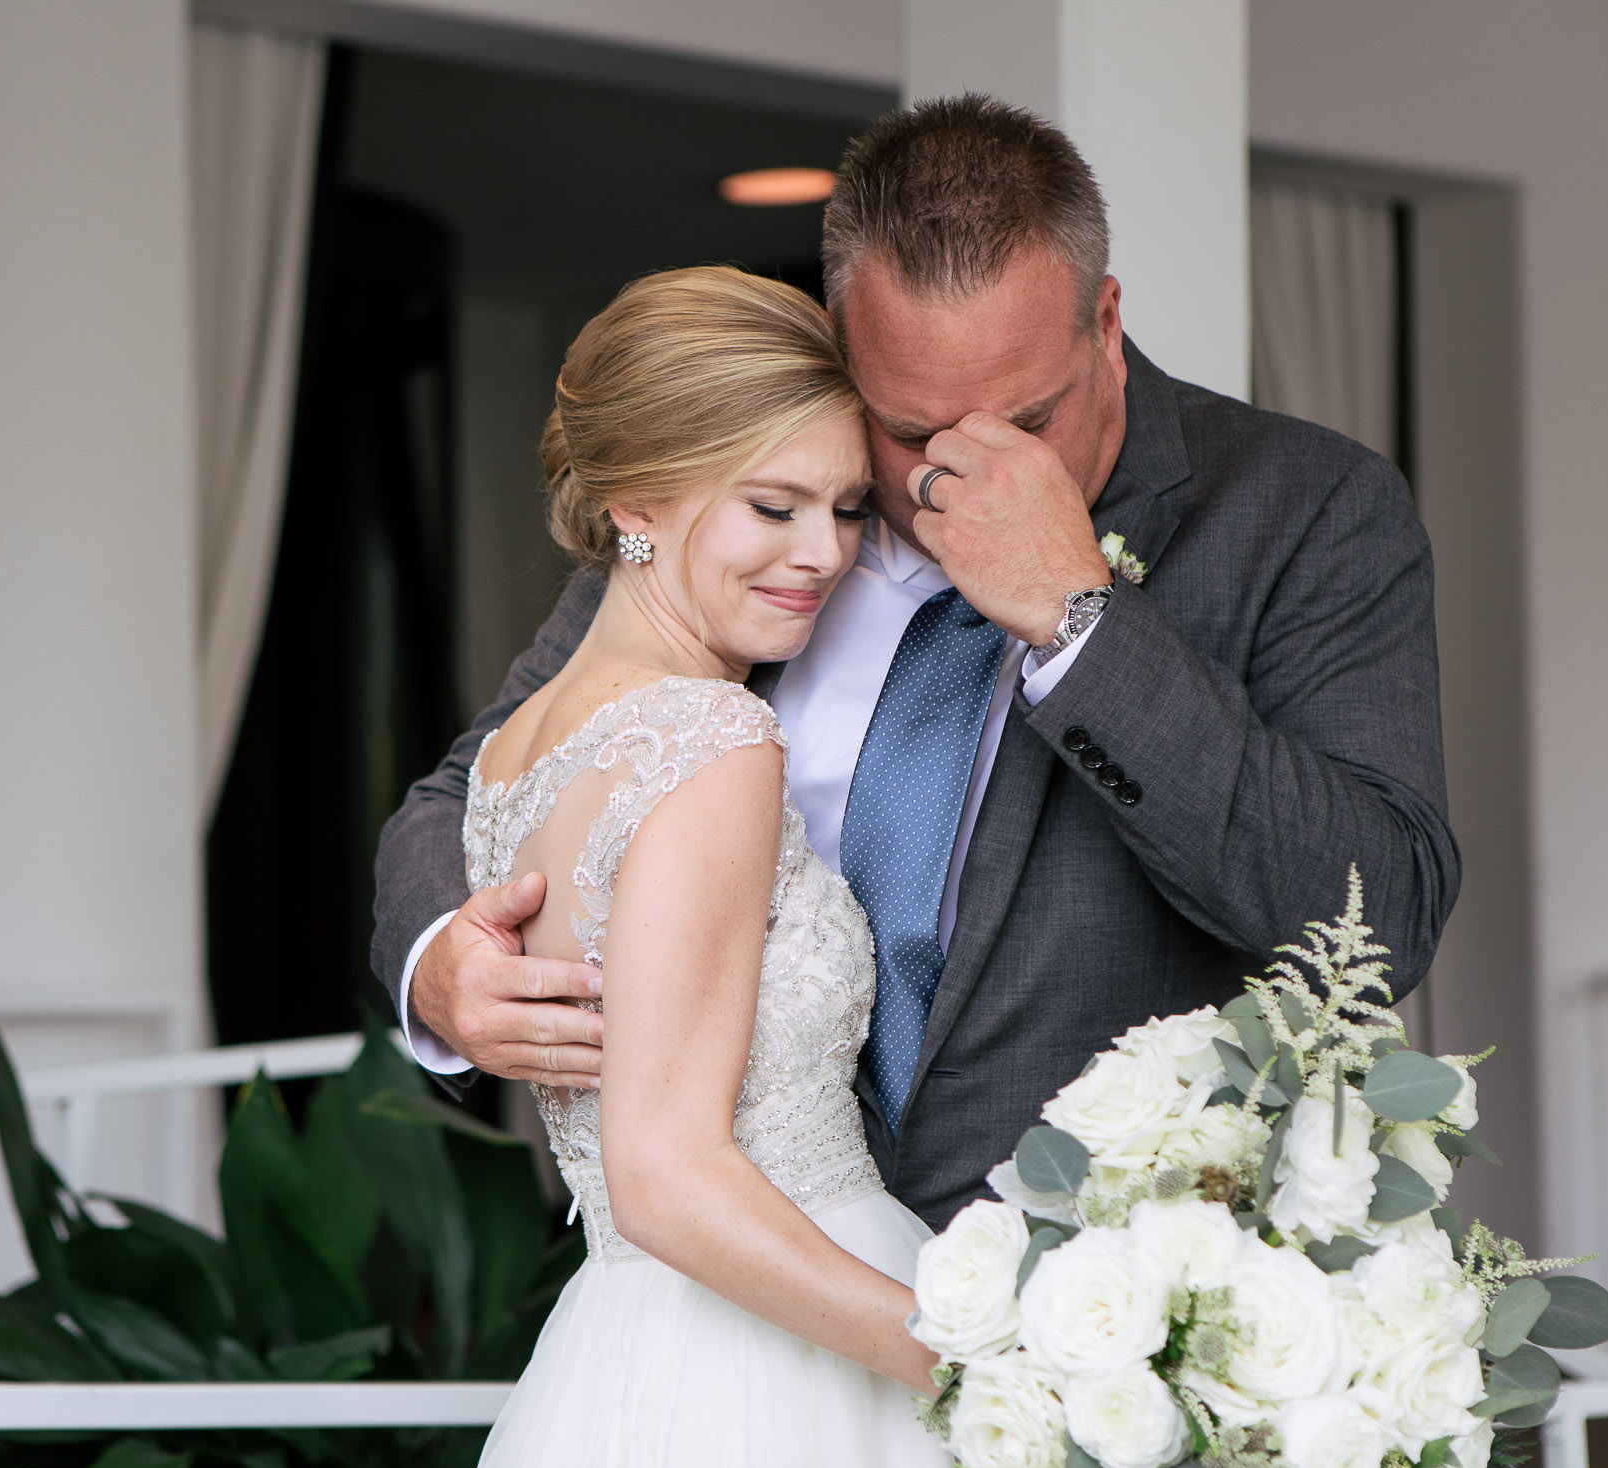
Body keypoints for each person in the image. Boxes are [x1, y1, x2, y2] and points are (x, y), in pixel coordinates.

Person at [373, 94, 1460, 1234]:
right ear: (846, 348)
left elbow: (1374, 920)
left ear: (1103, 322)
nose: (964, 474)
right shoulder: (737, 521)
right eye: (907, 432)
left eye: (1027, 423)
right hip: (741, 1293)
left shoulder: (1305, 508)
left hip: (1100, 1305)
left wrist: (1080, 620)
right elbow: (475, 788)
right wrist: (444, 962)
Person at [459, 264, 957, 1468]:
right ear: (638, 501)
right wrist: (973, 1364)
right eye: (773, 507)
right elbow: (668, 1177)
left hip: (626, 1351)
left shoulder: (516, 753)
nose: (825, 554)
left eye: (846, 508)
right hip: (777, 1358)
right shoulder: (711, 743)